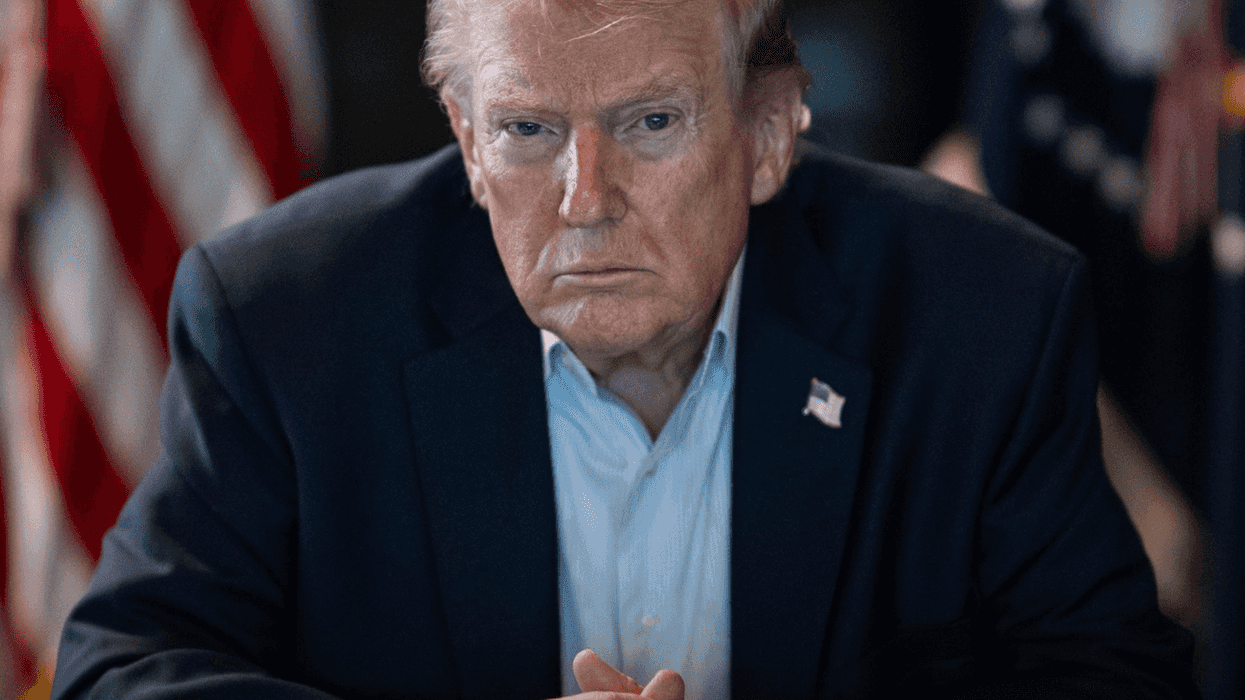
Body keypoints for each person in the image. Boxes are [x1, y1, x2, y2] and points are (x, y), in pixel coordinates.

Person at [50, 0, 1197, 698]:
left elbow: (1112, 677)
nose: (582, 197)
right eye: (527, 130)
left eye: (650, 123)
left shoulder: (981, 312)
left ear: (768, 132)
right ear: (462, 134)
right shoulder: (285, 315)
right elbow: (122, 667)